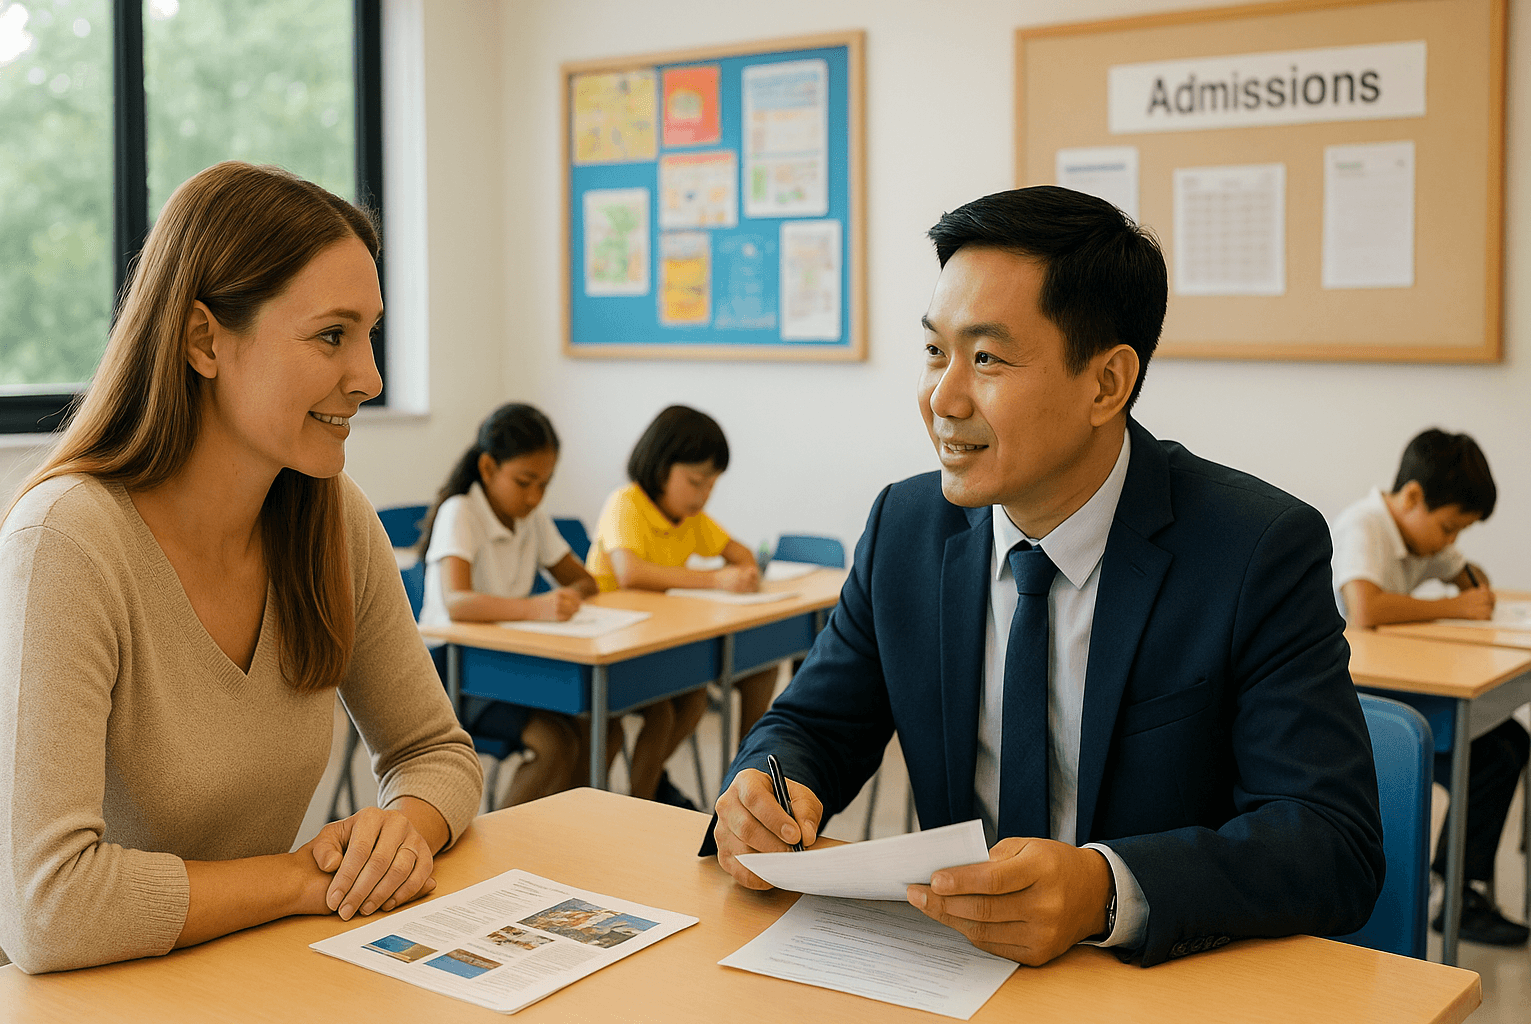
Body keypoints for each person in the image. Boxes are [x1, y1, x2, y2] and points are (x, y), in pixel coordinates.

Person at [704, 186, 1384, 968]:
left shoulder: (1255, 549)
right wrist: (764, 789)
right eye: (935, 351)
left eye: (987, 358)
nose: (941, 398)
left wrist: (1104, 888)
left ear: (1106, 384)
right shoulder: (906, 528)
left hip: (1153, 983)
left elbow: (1331, 843)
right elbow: (813, 727)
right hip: (956, 974)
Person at [0, 162, 484, 974]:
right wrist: (298, 879)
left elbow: (435, 751)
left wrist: (406, 828)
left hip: (240, 972)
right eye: (333, 335)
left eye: (370, 334)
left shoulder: (334, 521)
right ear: (203, 340)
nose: (370, 377)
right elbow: (46, 909)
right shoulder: (68, 543)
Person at [1332, 428, 1529, 946]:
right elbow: (1365, 608)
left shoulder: (1420, 536)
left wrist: (1469, 580)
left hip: (1404, 688)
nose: (1450, 541)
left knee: (1509, 744)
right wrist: (1456, 606)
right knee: (1491, 756)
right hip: (1359, 703)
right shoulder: (1366, 525)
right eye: (1449, 527)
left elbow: (1464, 573)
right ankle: (1450, 889)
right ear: (1413, 497)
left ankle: (1455, 884)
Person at [416, 401, 616, 806]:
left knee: (602, 728)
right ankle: (505, 852)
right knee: (555, 744)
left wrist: (570, 597)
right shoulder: (461, 512)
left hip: (513, 664)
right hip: (453, 673)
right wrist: (538, 607)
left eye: (544, 483)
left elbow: (584, 580)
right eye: (525, 482)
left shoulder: (531, 518)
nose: (534, 496)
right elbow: (458, 603)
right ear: (488, 469)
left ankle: (563, 833)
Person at [585, 405, 778, 805]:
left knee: (693, 701)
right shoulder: (626, 503)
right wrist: (717, 579)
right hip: (609, 647)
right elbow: (630, 573)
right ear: (660, 467)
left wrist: (745, 571)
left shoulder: (690, 518)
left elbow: (740, 553)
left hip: (656, 643)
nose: (703, 495)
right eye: (695, 482)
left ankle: (648, 792)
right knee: (666, 712)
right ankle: (636, 801)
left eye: (712, 485)